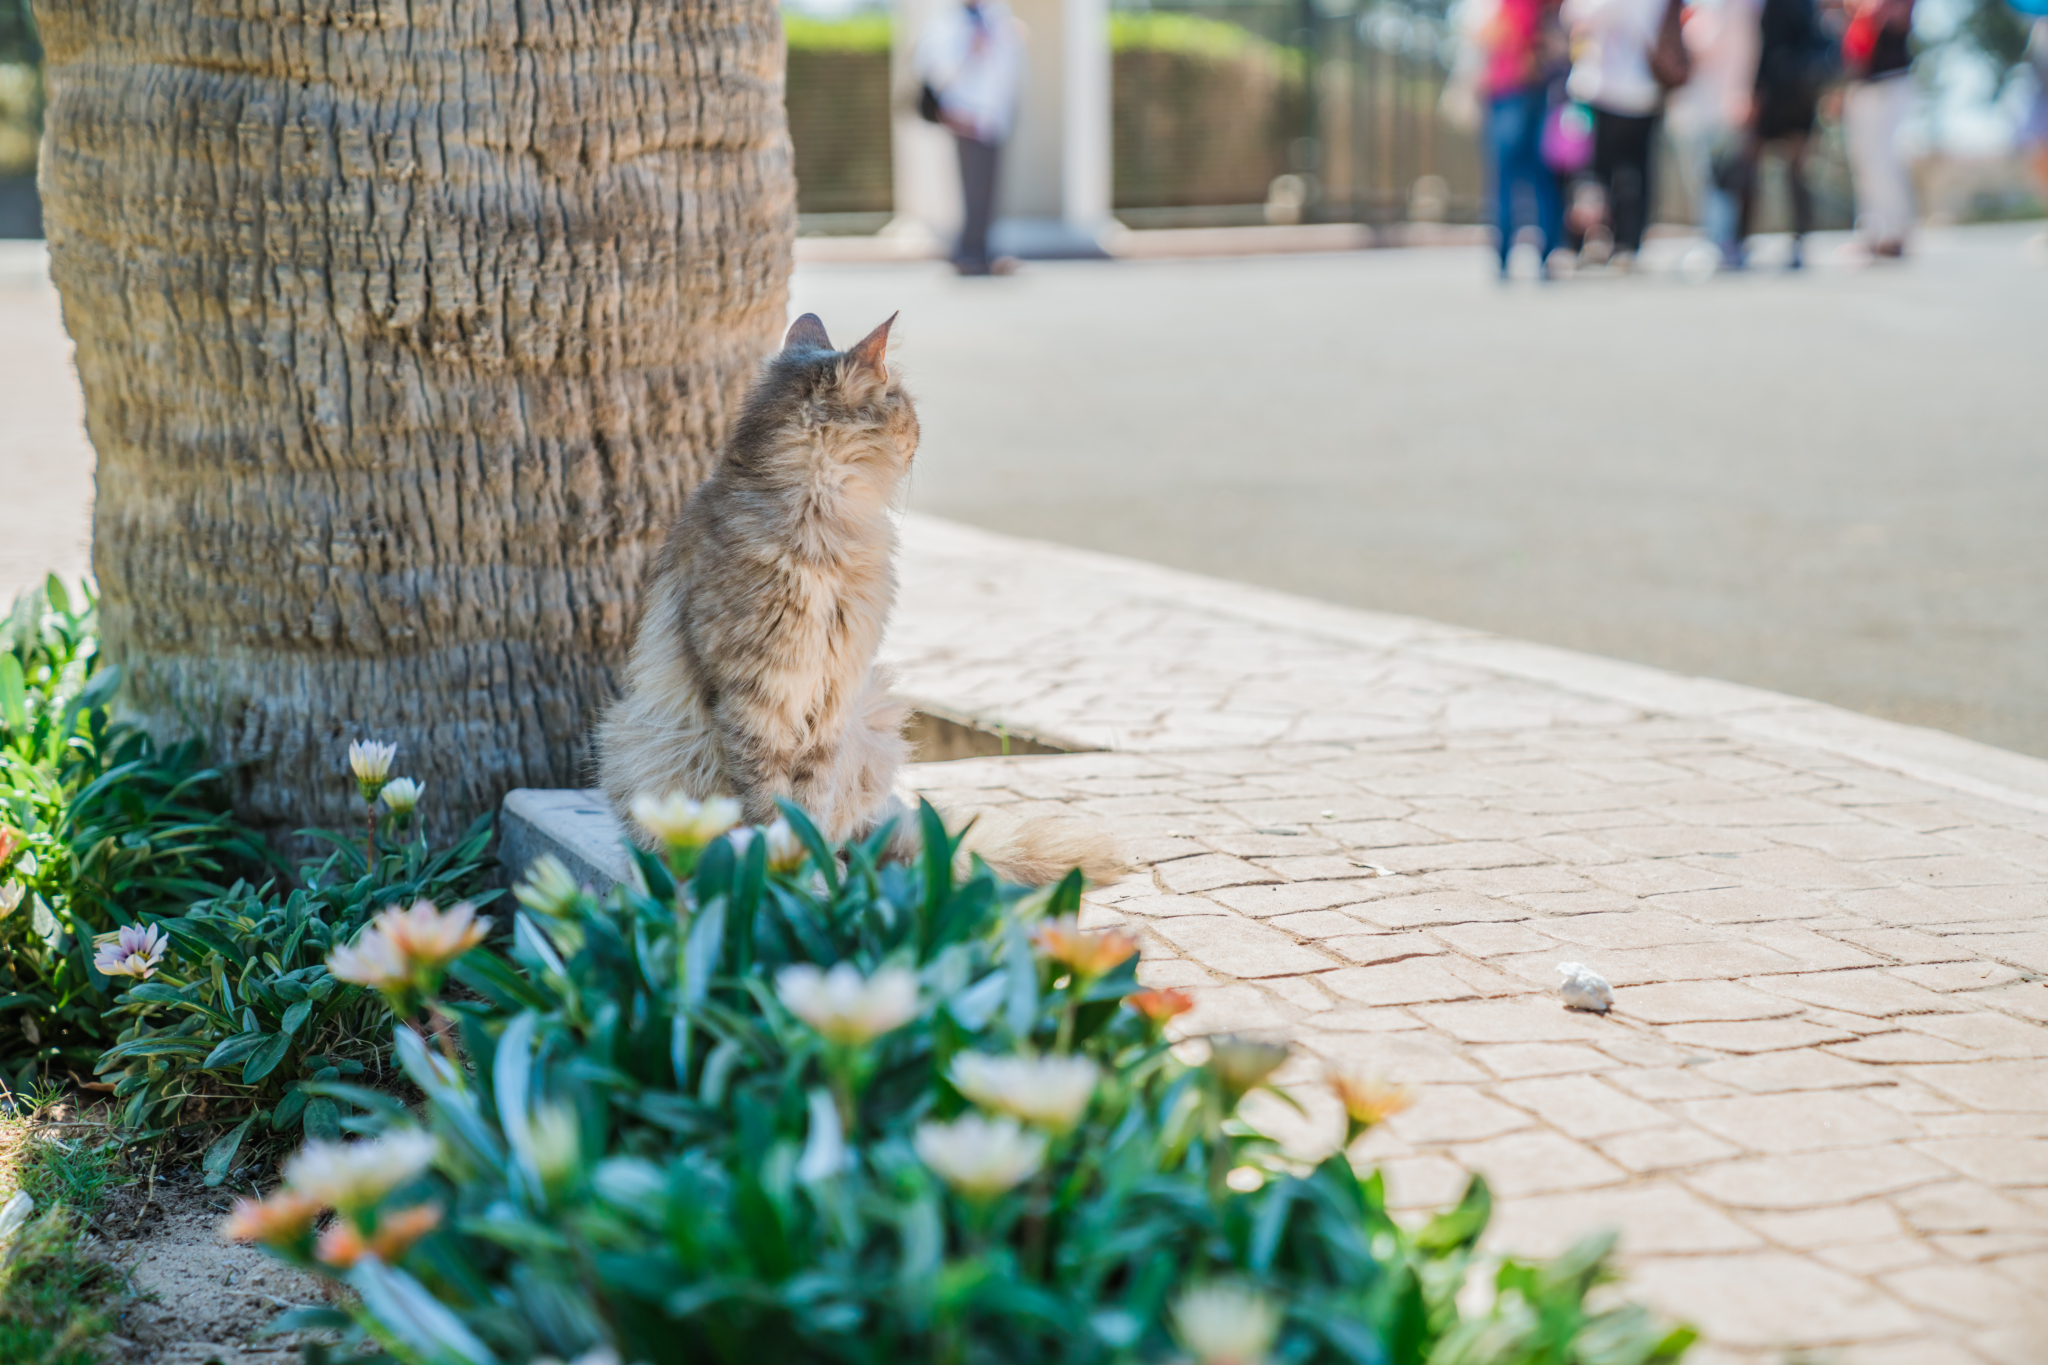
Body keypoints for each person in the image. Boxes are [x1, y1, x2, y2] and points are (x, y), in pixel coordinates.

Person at [915, 0, 1027, 276]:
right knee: (971, 187)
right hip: (965, 117)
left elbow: (1006, 67)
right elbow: (934, 68)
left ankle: (983, 251)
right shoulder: (946, 21)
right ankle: (967, 252)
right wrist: (968, 51)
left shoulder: (997, 16)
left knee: (988, 187)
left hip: (993, 117)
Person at [1562, 0, 1676, 268]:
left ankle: (1597, 238)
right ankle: (1626, 242)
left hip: (1605, 90)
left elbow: (1575, 17)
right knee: (1633, 171)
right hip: (1643, 89)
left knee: (1595, 171)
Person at [1474, 0, 1567, 277]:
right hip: (1539, 89)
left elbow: (1505, 32)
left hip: (1512, 88)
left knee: (1507, 176)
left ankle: (1504, 255)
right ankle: (1545, 253)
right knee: (1540, 175)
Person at [1733, 0, 1828, 267]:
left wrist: (1753, 92)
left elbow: (1764, 44)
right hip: (1798, 92)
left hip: (1776, 92)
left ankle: (1741, 241)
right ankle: (1797, 243)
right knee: (1794, 173)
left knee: (1753, 168)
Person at [1666, 0, 1760, 263]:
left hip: (1715, 105)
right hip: (1710, 102)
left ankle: (1720, 242)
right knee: (1712, 178)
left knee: (1715, 179)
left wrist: (1685, 22)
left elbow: (1705, 40)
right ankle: (1721, 241)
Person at [1841, 0, 1916, 257]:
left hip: (1888, 81)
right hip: (1864, 84)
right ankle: (1873, 233)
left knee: (1883, 160)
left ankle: (1893, 233)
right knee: (1865, 163)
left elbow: (1877, 11)